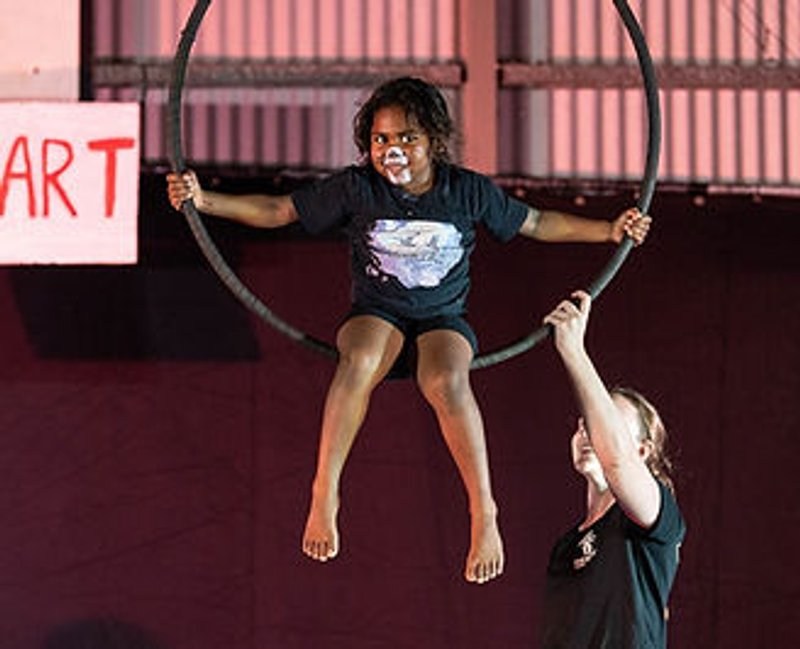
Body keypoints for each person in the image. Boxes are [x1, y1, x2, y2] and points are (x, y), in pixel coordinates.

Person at [166, 76, 651, 584]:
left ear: (433, 141)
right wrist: (205, 200)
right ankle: (325, 490)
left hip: (442, 318)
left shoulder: (465, 190)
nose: (392, 150)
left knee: (445, 379)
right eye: (380, 139)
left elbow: (535, 223)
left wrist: (608, 230)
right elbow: (280, 209)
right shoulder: (358, 187)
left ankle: (483, 508)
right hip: (376, 313)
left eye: (406, 138)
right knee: (359, 360)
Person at [541, 290, 686, 646]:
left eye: (609, 426)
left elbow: (618, 462)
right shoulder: (566, 547)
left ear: (642, 449)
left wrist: (574, 351)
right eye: (584, 424)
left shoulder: (655, 515)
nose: (590, 433)